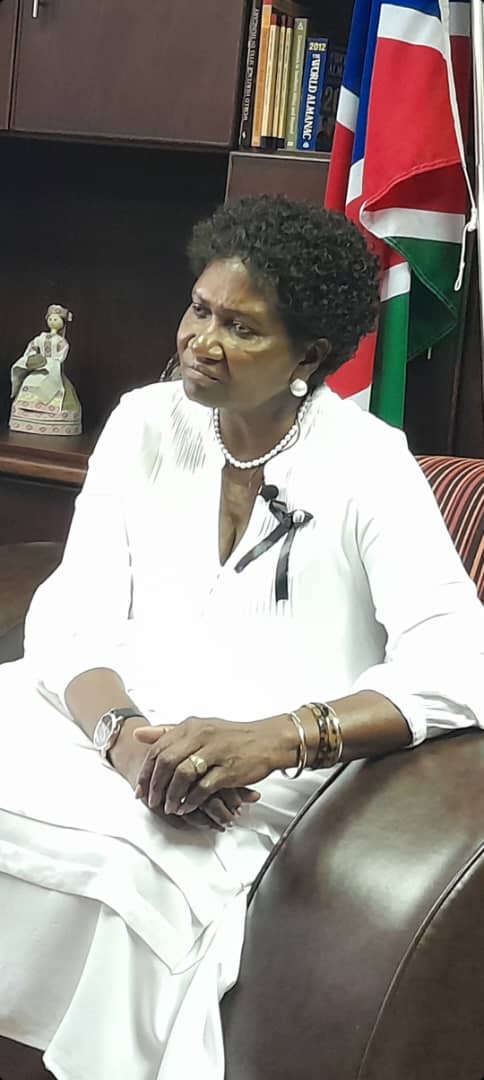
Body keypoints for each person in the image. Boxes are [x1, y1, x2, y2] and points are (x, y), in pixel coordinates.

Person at [0, 195, 482, 1080]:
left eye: (241, 328)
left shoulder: (369, 462)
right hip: (111, 731)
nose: (201, 341)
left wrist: (277, 738)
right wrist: (124, 740)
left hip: (259, 774)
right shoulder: (143, 421)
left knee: (128, 877)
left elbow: (459, 660)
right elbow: (73, 613)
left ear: (311, 357)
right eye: (199, 309)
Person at [9, 303, 82, 435]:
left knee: (57, 387)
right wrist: (33, 358)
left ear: (62, 323)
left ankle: (56, 420)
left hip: (53, 368)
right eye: (51, 318)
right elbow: (32, 348)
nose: (53, 321)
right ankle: (24, 416)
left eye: (56, 319)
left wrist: (53, 362)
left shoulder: (61, 341)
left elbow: (61, 355)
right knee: (29, 384)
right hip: (39, 367)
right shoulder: (40, 338)